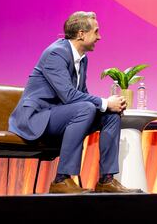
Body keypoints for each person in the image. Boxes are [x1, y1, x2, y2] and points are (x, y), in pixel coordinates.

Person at [9, 11, 139, 194]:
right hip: (37, 118)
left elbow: (81, 94)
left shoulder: (81, 58)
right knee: (87, 108)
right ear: (81, 34)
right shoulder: (56, 53)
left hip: (61, 115)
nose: (99, 37)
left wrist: (108, 106)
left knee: (110, 115)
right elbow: (69, 96)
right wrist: (105, 102)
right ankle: (61, 179)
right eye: (96, 32)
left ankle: (106, 180)